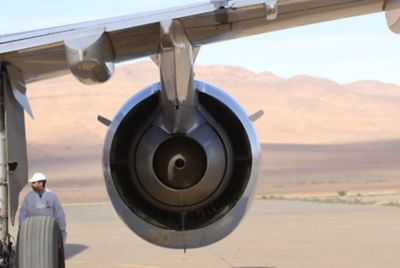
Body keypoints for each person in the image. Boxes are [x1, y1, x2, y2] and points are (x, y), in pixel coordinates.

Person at [18, 172, 67, 243]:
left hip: (48, 230)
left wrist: (62, 229)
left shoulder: (51, 195)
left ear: (40, 183)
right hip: (32, 230)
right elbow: (23, 213)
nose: (32, 185)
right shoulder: (28, 196)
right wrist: (21, 226)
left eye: (34, 183)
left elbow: (59, 213)